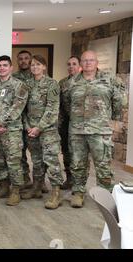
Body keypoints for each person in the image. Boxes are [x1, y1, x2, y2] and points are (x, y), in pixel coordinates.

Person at [66, 50, 125, 208]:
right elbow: (66, 104)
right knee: (78, 164)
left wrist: (116, 122)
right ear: (81, 63)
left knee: (103, 165)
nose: (88, 63)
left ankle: (105, 195)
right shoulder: (71, 82)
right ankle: (78, 192)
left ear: (97, 62)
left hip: (100, 131)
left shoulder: (110, 80)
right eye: (84, 60)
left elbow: (119, 102)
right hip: (77, 131)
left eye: (91, 60)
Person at [21, 55, 64, 209]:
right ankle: (37, 188)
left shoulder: (52, 84)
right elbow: (23, 109)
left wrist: (39, 127)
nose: (34, 67)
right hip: (31, 130)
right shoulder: (27, 84)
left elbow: (52, 109)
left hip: (47, 131)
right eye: (32, 65)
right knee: (37, 161)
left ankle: (56, 193)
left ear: (44, 67)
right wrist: (27, 126)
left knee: (52, 162)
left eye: (38, 64)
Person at [0, 55, 28, 206]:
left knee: (14, 162)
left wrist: (1, 123)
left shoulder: (19, 85)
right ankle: (4, 187)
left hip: (12, 131)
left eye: (5, 65)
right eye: (0, 65)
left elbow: (17, 108)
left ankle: (15, 191)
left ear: (11, 68)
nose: (2, 68)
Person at [58, 56, 82, 190]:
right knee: (66, 152)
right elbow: (59, 105)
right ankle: (69, 179)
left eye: (74, 64)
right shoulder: (62, 83)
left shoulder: (84, 82)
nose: (71, 66)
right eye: (69, 64)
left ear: (79, 66)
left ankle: (79, 184)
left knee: (79, 155)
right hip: (66, 123)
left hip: (81, 124)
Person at [12, 50, 34, 189]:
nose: (23, 61)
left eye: (26, 58)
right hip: (17, 121)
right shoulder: (14, 78)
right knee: (20, 154)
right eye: (20, 59)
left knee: (37, 154)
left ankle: (40, 182)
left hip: (34, 121)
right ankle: (25, 178)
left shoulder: (37, 76)